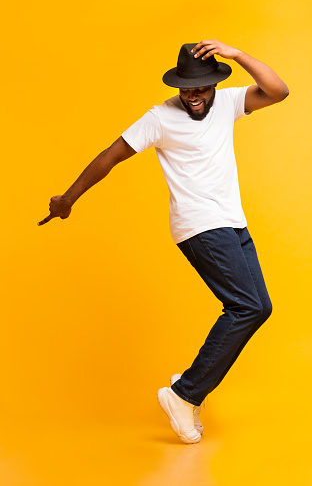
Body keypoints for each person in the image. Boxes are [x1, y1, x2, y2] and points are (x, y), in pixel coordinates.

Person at [38, 39, 289, 445]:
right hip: (200, 225)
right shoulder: (160, 117)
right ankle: (184, 394)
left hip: (233, 223)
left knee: (259, 307)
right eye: (186, 89)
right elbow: (111, 155)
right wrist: (68, 198)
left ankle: (189, 384)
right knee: (247, 306)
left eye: (200, 89)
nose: (193, 96)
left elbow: (278, 91)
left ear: (213, 84)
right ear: (178, 87)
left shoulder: (227, 103)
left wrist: (237, 54)